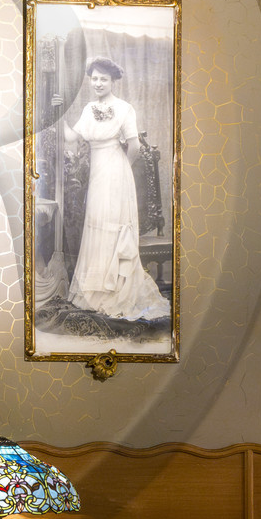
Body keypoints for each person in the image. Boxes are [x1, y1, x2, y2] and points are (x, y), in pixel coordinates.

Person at [64, 56, 169, 325]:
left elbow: (134, 146)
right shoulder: (88, 109)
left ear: (113, 81)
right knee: (97, 224)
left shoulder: (124, 108)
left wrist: (122, 168)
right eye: (94, 78)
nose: (98, 83)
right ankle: (97, 292)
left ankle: (117, 291)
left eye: (103, 79)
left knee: (112, 223)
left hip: (117, 171)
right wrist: (59, 113)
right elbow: (72, 137)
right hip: (97, 173)